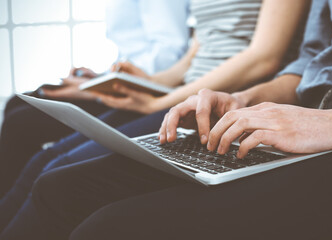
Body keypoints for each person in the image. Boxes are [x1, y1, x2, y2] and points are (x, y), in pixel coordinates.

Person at [10, 0, 332, 239]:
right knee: (59, 188)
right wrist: (242, 100)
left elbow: (263, 56)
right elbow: (309, 66)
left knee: (110, 228)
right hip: (305, 112)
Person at [0, 0, 190, 197]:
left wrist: (103, 88)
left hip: (150, 89)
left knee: (30, 138)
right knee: (18, 105)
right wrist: (103, 79)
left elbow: (170, 53)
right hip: (139, 81)